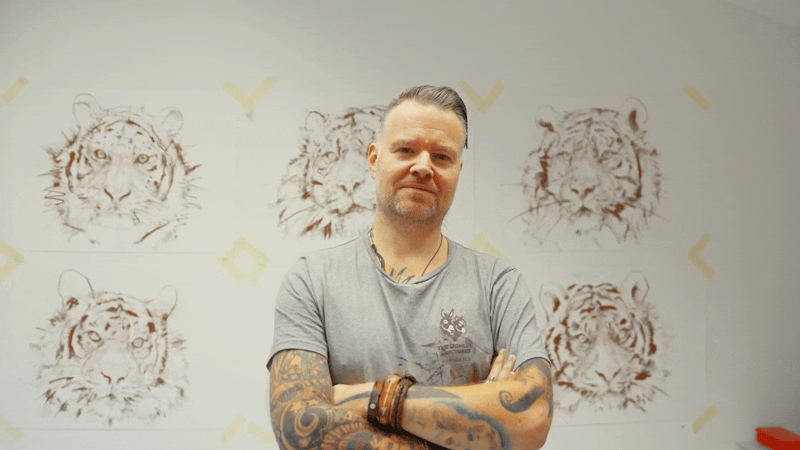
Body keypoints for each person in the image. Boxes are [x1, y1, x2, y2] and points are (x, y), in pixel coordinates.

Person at [267, 85, 553, 450]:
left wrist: (373, 398)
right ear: (374, 160)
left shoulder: (499, 284)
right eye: (405, 150)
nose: (423, 167)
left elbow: (532, 418)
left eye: (442, 157)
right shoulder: (311, 280)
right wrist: (479, 415)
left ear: (458, 171)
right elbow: (299, 430)